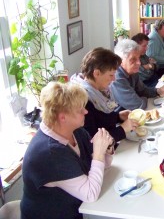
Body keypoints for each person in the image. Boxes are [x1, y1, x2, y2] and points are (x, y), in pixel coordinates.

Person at [20, 82, 114, 219]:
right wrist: (99, 153)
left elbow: (101, 167)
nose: (86, 111)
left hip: (79, 208)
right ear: (62, 117)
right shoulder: (50, 153)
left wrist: (107, 148)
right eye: (80, 109)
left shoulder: (76, 132)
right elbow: (90, 194)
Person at [70, 47, 139, 142]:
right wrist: (123, 128)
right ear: (97, 73)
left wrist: (118, 117)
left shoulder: (100, 90)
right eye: (111, 75)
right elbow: (93, 141)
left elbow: (101, 119)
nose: (114, 79)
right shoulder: (83, 100)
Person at [110, 39, 164, 110]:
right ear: (120, 61)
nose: (139, 63)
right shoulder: (116, 78)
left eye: (138, 58)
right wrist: (141, 98)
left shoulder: (132, 71)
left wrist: (158, 91)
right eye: (133, 59)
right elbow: (137, 105)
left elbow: (143, 91)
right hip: (122, 117)